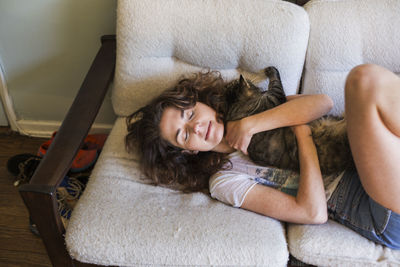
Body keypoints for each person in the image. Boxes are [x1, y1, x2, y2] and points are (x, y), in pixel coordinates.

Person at [125, 64, 400, 249]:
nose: (196, 126)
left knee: (369, 80)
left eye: (190, 113)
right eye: (184, 135)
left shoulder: (251, 108)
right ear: (188, 150)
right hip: (375, 206)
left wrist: (252, 124)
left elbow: (323, 103)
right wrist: (302, 134)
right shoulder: (225, 180)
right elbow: (312, 212)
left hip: (377, 159)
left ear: (201, 102)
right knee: (363, 80)